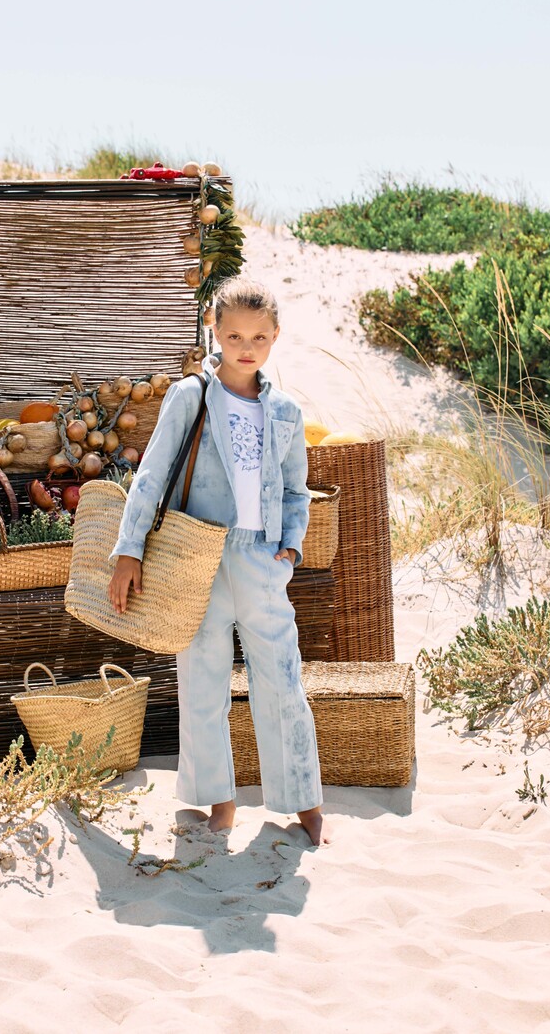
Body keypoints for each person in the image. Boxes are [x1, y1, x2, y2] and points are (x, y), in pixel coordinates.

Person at [107, 279, 331, 846]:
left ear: (275, 337)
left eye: (258, 336)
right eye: (234, 334)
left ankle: (303, 800)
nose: (246, 346)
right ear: (214, 330)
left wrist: (290, 547)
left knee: (281, 680)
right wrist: (128, 550)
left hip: (260, 560)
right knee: (202, 682)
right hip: (195, 560)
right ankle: (221, 803)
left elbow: (296, 490)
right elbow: (151, 475)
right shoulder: (191, 396)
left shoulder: (284, 410)